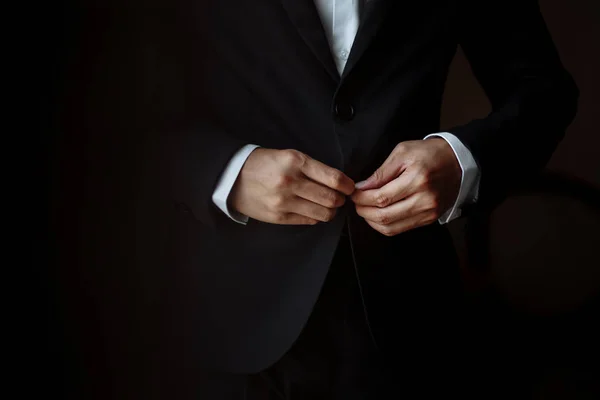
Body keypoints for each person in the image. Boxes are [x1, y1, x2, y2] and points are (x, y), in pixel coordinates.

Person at [53, 0, 578, 398]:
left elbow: (543, 91)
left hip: (407, 323)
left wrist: (461, 159)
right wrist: (223, 172)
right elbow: (100, 108)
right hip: (210, 324)